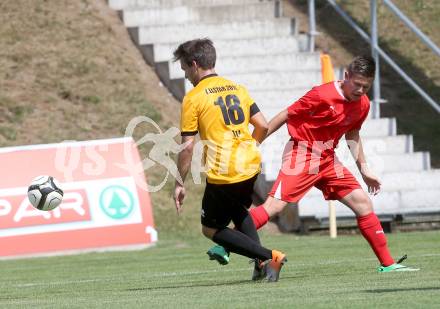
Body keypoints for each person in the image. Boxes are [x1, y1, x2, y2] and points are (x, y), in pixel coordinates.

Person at [208, 55, 418, 273]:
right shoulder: (321, 94)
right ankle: (226, 244)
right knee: (274, 207)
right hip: (301, 154)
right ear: (346, 76)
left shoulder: (363, 104)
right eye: (357, 84)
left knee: (363, 203)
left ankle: (388, 264)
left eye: (366, 86)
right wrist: (255, 142)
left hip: (327, 159)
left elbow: (352, 134)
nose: (360, 91)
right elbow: (286, 115)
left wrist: (364, 169)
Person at [172, 38, 287, 282]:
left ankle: (269, 256)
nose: (185, 76)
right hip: (250, 164)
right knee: (239, 212)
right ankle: (262, 266)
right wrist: (250, 145)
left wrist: (179, 182)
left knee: (210, 228)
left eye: (185, 70)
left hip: (224, 171)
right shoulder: (238, 88)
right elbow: (263, 125)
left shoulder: (194, 97)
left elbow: (187, 146)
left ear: (194, 64)